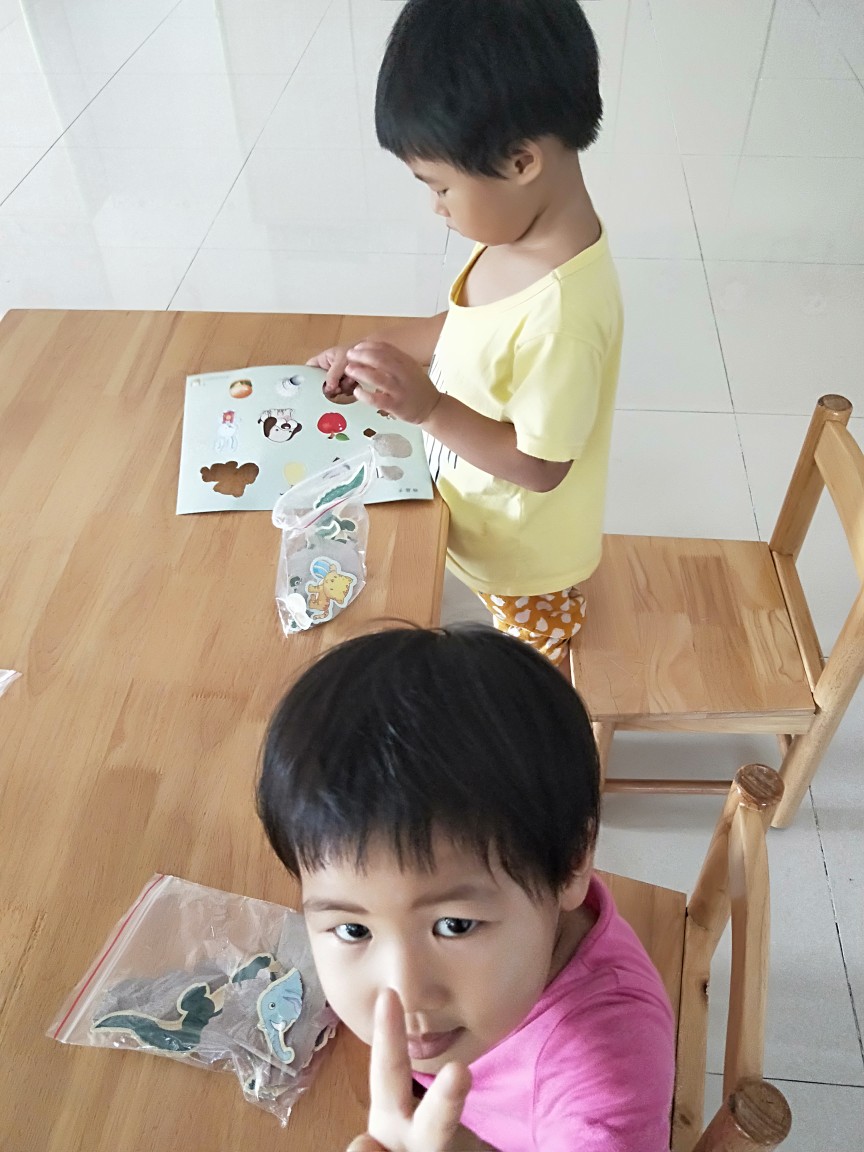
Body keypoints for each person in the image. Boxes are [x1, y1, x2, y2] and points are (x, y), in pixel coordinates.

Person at [257, 626, 675, 1152]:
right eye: (354, 929)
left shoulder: (604, 1084)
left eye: (454, 925)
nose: (405, 991)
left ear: (572, 863)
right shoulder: (497, 931)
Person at [307, 0, 622, 669]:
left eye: (441, 187)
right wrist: (369, 354)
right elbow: (463, 325)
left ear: (519, 161)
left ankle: (551, 669)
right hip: (469, 506)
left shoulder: (562, 316)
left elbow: (541, 467)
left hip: (520, 555)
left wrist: (428, 408)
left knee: (532, 657)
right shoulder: (521, 232)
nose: (435, 207)